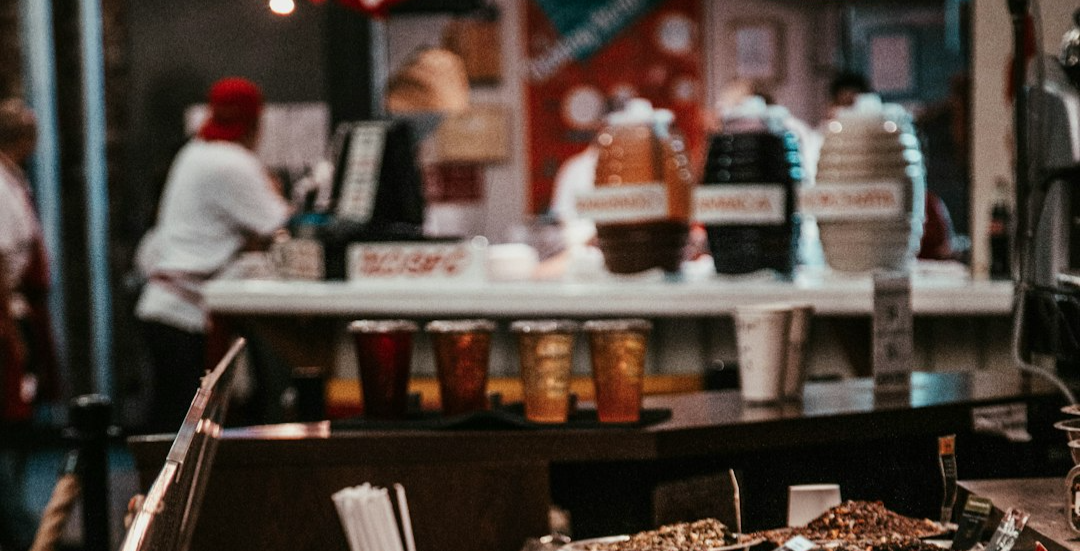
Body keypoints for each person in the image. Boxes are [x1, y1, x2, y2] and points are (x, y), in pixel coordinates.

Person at [135, 78, 290, 433]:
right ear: (255, 122)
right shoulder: (232, 161)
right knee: (183, 432)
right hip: (184, 315)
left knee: (173, 428)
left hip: (165, 306)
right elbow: (279, 225)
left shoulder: (194, 151)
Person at [0, 97, 59, 551]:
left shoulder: (13, 178)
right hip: (5, 314)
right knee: (7, 421)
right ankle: (16, 524)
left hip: (19, 309)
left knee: (19, 418)